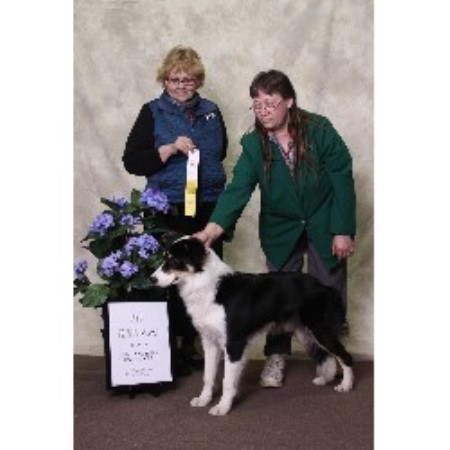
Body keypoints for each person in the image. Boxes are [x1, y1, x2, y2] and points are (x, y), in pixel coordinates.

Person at [194, 69, 356, 388]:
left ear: (289, 102)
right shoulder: (254, 144)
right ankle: (276, 357)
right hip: (280, 229)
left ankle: (329, 356)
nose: (263, 110)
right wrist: (212, 229)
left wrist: (342, 229)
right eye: (257, 103)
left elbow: (342, 178)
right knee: (275, 296)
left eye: (270, 102)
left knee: (327, 291)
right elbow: (238, 189)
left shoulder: (319, 130)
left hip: (325, 223)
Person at [122, 46, 228, 376]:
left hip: (207, 208)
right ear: (164, 80)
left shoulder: (212, 111)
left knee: (205, 278)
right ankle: (166, 345)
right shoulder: (151, 111)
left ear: (198, 80)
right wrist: (167, 149)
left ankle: (195, 343)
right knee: (170, 277)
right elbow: (133, 160)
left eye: (189, 79)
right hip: (167, 208)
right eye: (175, 79)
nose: (182, 84)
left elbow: (221, 150)